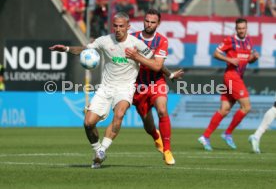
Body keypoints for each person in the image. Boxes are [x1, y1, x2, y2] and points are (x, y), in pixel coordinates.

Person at [49, 12, 163, 169]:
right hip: (106, 88)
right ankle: (98, 151)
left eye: (121, 26)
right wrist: (67, 49)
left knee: (120, 114)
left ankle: (103, 149)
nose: (118, 29)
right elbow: (84, 49)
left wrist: (167, 73)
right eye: (115, 26)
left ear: (128, 27)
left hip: (126, 88)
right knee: (88, 123)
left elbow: (155, 62)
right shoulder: (104, 41)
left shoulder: (136, 43)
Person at [126, 9, 184, 165]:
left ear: (158, 23)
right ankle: (156, 137)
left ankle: (167, 150)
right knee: (148, 124)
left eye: (152, 22)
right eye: (147, 21)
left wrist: (168, 75)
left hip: (156, 83)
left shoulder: (162, 40)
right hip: (138, 85)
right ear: (143, 21)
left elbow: (158, 66)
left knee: (162, 110)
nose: (149, 24)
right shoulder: (132, 38)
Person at [198, 18, 259, 151]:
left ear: (246, 28)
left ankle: (205, 136)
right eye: (239, 28)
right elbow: (215, 53)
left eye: (243, 28)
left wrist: (253, 58)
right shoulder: (230, 40)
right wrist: (229, 59)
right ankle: (228, 133)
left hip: (237, 77)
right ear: (236, 29)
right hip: (232, 76)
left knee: (225, 109)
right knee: (246, 107)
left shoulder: (249, 41)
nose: (241, 30)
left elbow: (248, 60)